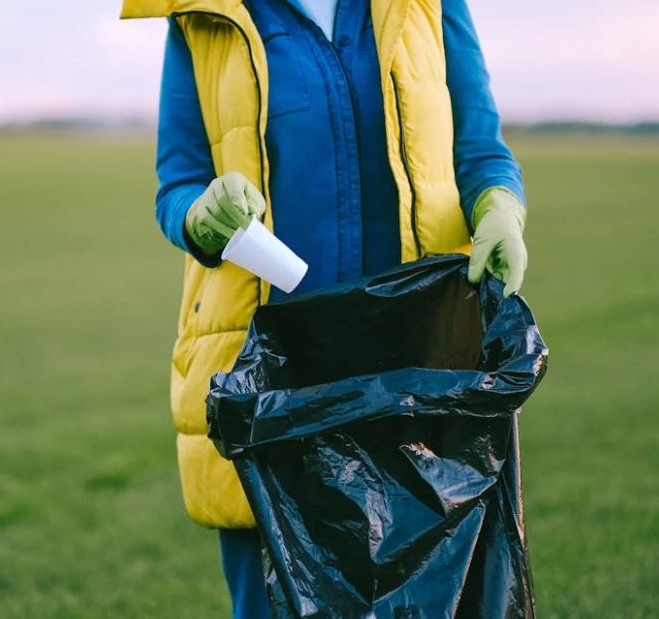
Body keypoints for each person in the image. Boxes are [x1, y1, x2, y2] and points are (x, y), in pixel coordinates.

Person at [121, 0, 528, 616]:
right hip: (275, 392)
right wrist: (200, 213)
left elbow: (479, 152)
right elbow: (176, 182)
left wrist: (500, 207)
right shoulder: (200, 16)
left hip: (418, 376)